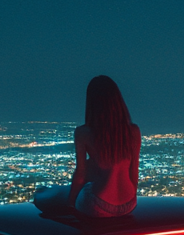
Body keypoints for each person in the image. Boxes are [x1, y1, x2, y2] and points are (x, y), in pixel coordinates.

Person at [34, 75, 141, 217]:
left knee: (43, 197)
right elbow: (133, 172)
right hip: (129, 204)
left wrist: (71, 204)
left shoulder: (84, 133)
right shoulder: (133, 131)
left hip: (98, 204)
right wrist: (131, 200)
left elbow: (80, 174)